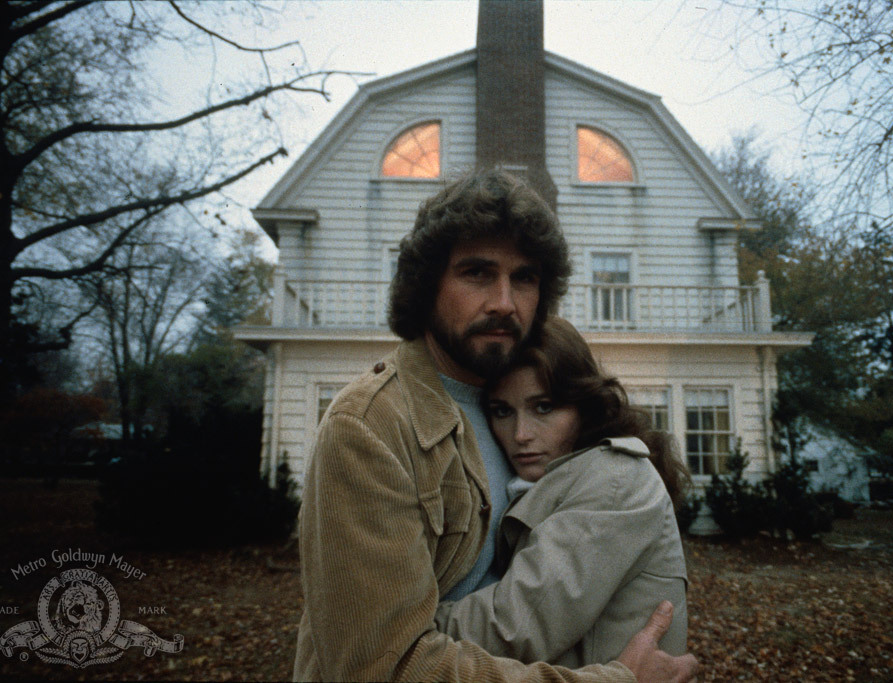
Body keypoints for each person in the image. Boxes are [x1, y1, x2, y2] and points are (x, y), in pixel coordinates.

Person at [293, 169, 700, 682]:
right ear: (427, 287)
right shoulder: (372, 428)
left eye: (524, 278)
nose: (504, 302)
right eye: (477, 273)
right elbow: (385, 667)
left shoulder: (507, 405)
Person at [434, 316, 691, 666]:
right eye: (502, 411)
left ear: (585, 406)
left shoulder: (615, 478)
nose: (521, 433)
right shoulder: (563, 475)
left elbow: (515, 627)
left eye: (544, 407)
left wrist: (407, 630)